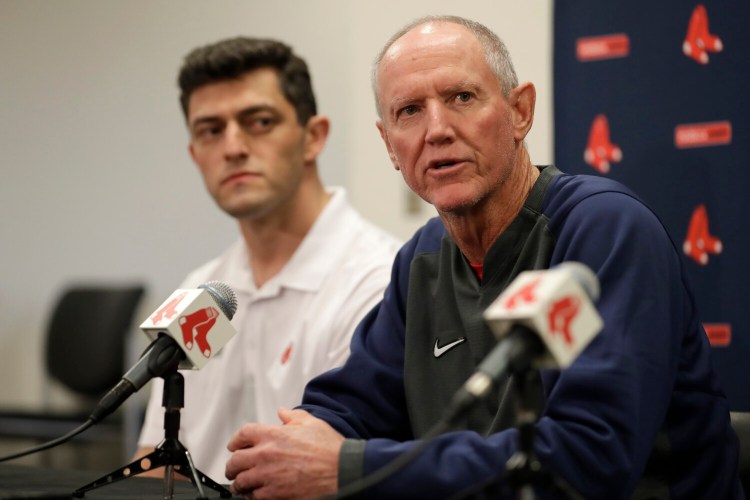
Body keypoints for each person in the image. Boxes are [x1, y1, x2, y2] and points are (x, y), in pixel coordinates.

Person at [222, 15, 744, 500]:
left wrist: (348, 468)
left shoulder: (604, 230)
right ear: (388, 144)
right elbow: (353, 407)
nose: (437, 130)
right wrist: (290, 450)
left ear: (520, 112)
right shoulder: (422, 260)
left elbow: (589, 458)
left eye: (462, 97)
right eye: (409, 111)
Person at [134, 36, 401, 482]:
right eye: (211, 130)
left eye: (258, 121)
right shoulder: (203, 288)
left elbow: (330, 475)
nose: (233, 147)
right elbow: (155, 464)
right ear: (195, 154)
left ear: (313, 137)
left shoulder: (380, 279)